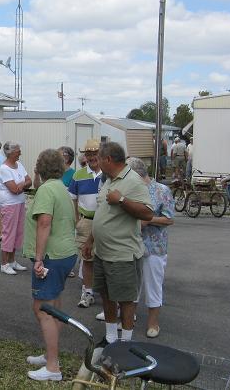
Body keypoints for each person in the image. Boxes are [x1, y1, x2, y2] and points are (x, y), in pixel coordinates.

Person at [82, 142, 153, 344]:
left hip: (122, 254)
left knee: (126, 299)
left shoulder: (133, 181)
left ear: (108, 159)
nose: (96, 162)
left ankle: (126, 341)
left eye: (99, 158)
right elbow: (102, 213)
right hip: (103, 253)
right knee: (106, 295)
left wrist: (122, 200)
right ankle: (111, 336)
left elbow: (148, 212)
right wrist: (90, 239)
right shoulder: (109, 180)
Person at [23, 149, 77, 382]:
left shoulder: (46, 190)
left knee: (42, 309)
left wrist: (38, 258)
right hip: (65, 254)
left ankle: (53, 367)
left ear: (39, 168)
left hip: (51, 257)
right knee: (53, 305)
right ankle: (50, 355)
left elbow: (44, 223)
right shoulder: (61, 188)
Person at [126, 157, 174, 338]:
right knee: (132, 285)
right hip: (132, 245)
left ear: (138, 174)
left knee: (153, 285)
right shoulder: (131, 190)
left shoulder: (162, 190)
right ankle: (130, 317)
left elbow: (169, 219)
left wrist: (148, 219)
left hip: (154, 247)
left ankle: (153, 323)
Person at [68, 138, 103, 308]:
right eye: (88, 154)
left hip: (105, 223)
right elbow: (72, 199)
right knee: (87, 258)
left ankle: (108, 297)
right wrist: (76, 220)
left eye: (94, 153)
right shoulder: (78, 175)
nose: (91, 157)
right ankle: (87, 292)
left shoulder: (109, 173)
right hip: (86, 221)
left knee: (105, 259)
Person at [0, 141, 32, 275]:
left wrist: (21, 184)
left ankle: (12, 261)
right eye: (18, 151)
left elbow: (28, 180)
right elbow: (13, 189)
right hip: (9, 204)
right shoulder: (4, 168)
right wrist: (24, 184)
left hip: (19, 202)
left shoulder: (19, 165)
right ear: (10, 153)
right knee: (8, 233)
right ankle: (4, 263)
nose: (20, 153)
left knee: (17, 233)